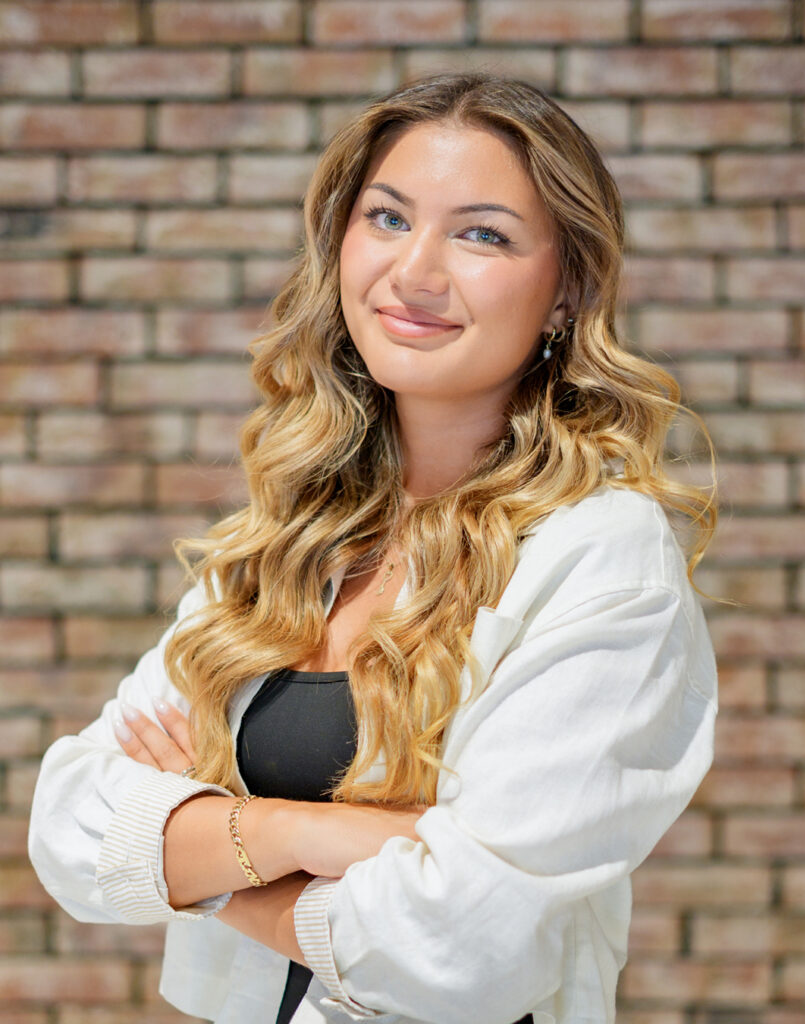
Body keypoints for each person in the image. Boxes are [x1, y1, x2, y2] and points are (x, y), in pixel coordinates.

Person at [28, 72, 718, 1024]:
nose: (414, 272)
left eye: (481, 235)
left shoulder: (600, 556)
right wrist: (302, 831)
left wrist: (202, 865)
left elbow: (460, 947)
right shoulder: (294, 532)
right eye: (387, 218)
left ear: (566, 291)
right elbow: (67, 825)